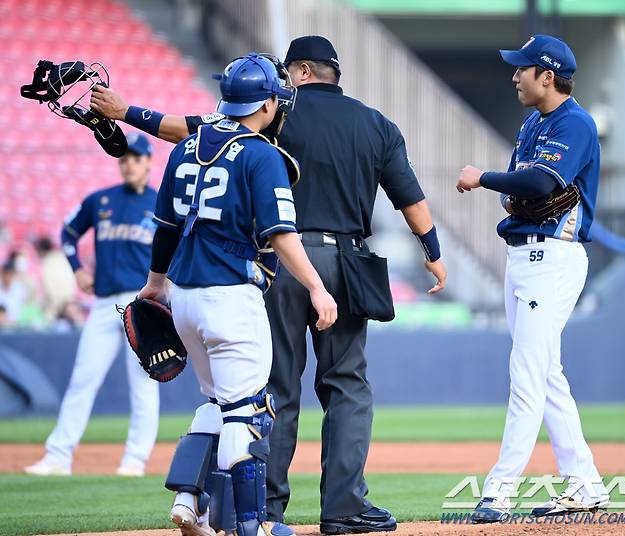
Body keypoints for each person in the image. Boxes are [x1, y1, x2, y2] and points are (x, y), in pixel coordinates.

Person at [90, 36, 447, 534]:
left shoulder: (274, 118)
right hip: (343, 261)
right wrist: (432, 252)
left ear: (302, 70)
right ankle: (344, 509)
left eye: (287, 71)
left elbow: (188, 131)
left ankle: (266, 507)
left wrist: (127, 111)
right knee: (347, 386)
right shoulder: (376, 123)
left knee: (272, 388)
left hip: (278, 266)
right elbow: (410, 197)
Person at [138, 53, 337, 536]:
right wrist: (316, 287)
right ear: (268, 102)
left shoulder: (186, 148)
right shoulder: (261, 153)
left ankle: (189, 504)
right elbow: (282, 234)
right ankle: (252, 526)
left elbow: (165, 227)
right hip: (230, 294)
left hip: (183, 295)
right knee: (248, 412)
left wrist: (155, 283)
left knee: (215, 402)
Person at [456, 35, 609, 522]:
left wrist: (486, 177)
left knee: (526, 373)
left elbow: (540, 184)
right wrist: (509, 188)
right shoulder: (531, 124)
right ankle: (585, 483)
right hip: (521, 256)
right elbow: (521, 192)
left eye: (523, 68)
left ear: (548, 75)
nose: (515, 75)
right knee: (545, 374)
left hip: (555, 257)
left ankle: (499, 490)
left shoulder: (576, 123)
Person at [24, 133, 160, 477]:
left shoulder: (161, 205)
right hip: (103, 303)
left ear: (148, 162)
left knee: (143, 382)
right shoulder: (100, 200)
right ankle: (58, 456)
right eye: (123, 158)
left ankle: (135, 460)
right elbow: (68, 233)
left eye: (135, 158)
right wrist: (77, 269)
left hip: (140, 304)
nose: (128, 163)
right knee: (83, 378)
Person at [34, 236, 77, 323]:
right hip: (69, 304)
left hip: (55, 308)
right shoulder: (63, 258)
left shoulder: (47, 263)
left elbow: (48, 289)